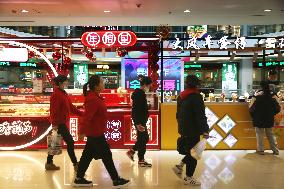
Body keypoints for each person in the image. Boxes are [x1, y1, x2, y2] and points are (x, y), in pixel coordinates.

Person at [73, 75, 130, 187]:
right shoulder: (92, 99)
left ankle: (79, 178)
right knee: (106, 155)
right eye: (102, 82)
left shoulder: (96, 97)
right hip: (95, 133)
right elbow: (87, 117)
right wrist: (81, 131)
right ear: (96, 86)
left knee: (87, 155)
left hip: (96, 131)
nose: (104, 84)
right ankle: (116, 179)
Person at [172, 75, 209, 186]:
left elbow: (177, 115)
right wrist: (205, 130)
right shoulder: (196, 97)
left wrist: (182, 127)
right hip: (193, 129)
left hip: (184, 129)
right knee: (194, 154)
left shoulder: (181, 96)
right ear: (197, 84)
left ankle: (179, 166)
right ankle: (188, 177)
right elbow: (200, 116)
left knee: (191, 151)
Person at [45, 75, 83, 171]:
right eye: (66, 81)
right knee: (70, 141)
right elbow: (54, 110)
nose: (67, 83)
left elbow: (71, 107)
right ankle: (75, 164)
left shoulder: (63, 93)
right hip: (59, 123)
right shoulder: (56, 94)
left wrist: (82, 114)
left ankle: (49, 163)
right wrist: (54, 124)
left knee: (54, 142)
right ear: (61, 83)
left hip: (61, 122)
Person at [126, 76, 153, 167]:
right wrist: (137, 123)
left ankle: (132, 151)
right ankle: (141, 159)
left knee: (143, 138)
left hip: (141, 120)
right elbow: (136, 109)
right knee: (143, 139)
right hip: (140, 121)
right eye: (149, 85)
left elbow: (139, 108)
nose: (149, 87)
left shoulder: (139, 93)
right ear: (145, 84)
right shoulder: (139, 94)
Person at [249, 81, 281, 155]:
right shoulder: (272, 95)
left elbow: (251, 108)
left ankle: (261, 150)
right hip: (269, 118)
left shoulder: (256, 95)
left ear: (261, 86)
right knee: (270, 134)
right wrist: (272, 114)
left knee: (259, 134)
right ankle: (275, 150)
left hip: (258, 118)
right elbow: (278, 108)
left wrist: (253, 116)